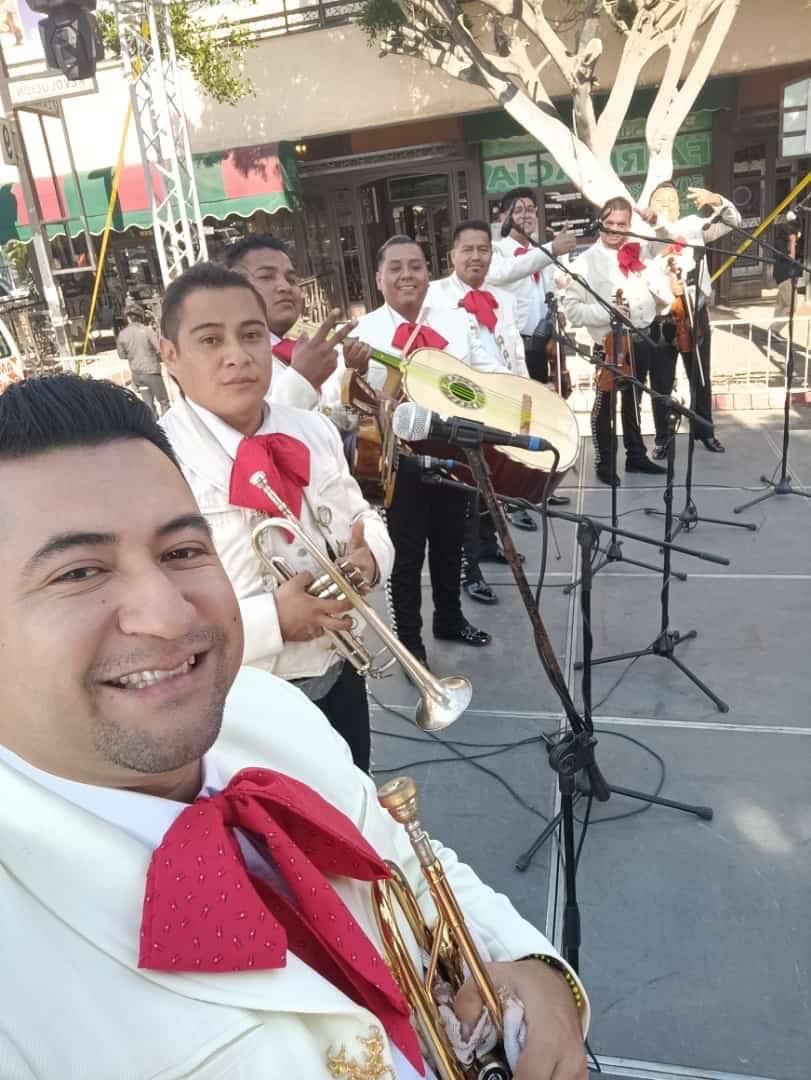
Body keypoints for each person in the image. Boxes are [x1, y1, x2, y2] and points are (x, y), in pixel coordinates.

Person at [0, 372, 590, 1080]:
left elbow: (409, 863)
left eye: (183, 552)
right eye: (78, 572)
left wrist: (534, 966)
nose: (169, 614)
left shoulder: (270, 710)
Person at [158, 262, 393, 773]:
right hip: (243, 705)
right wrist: (273, 622)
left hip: (339, 669)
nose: (237, 357)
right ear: (169, 355)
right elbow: (159, 617)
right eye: (210, 341)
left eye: (251, 335)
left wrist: (369, 556)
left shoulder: (314, 428)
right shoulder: (155, 464)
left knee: (355, 804)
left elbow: (362, 515)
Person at [354, 236, 492, 663]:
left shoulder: (456, 321)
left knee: (454, 543)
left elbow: (483, 374)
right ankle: (409, 642)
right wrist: (356, 377)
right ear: (379, 279)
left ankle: (449, 618)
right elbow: (347, 404)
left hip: (453, 449)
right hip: (402, 459)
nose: (407, 275)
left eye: (415, 266)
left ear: (428, 273)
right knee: (406, 553)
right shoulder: (363, 333)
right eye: (395, 268)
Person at [426, 220, 568, 606]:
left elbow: (515, 355)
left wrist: (527, 398)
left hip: (505, 406)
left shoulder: (502, 298)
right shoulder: (433, 297)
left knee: (495, 483)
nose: (476, 256)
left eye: (483, 249)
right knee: (467, 490)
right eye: (467, 249)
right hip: (460, 408)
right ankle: (468, 571)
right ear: (452, 254)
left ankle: (488, 545)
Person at [561, 196, 670, 485]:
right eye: (609, 223)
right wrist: (606, 312)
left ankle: (635, 456)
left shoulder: (639, 249)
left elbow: (668, 239)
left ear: (629, 225)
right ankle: (604, 462)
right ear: (600, 223)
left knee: (634, 401)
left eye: (621, 224)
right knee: (604, 406)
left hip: (642, 337)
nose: (614, 229)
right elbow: (572, 309)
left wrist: (655, 221)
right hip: (608, 343)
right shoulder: (584, 263)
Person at [224, 234, 371, 411]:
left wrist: (353, 374)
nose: (284, 287)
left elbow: (329, 420)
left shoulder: (300, 352)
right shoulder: (229, 361)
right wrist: (301, 378)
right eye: (266, 277)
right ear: (234, 287)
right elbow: (259, 430)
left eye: (291, 279)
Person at [647, 184, 742, 454]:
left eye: (671, 200)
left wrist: (716, 199)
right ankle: (663, 439)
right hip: (661, 315)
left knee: (700, 375)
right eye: (659, 200)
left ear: (679, 206)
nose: (665, 205)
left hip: (694, 312)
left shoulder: (693, 226)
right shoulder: (644, 237)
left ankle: (705, 431)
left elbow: (734, 221)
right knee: (661, 382)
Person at [116, 302, 170, 416]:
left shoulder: (122, 334)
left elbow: (121, 355)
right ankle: (168, 429)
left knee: (148, 406)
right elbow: (158, 349)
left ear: (128, 318)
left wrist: (132, 355)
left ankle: (153, 430)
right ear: (141, 317)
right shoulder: (147, 331)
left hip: (137, 375)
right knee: (164, 402)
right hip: (152, 372)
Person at [772, 211, 802, 332]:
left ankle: (773, 332)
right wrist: (794, 240)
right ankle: (774, 330)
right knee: (791, 306)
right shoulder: (791, 237)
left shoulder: (779, 239)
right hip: (786, 275)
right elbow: (792, 256)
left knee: (782, 304)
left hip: (779, 275)